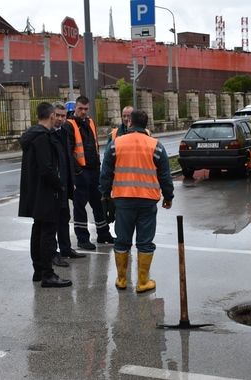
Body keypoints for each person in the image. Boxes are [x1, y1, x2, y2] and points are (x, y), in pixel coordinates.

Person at [99, 109, 174, 293]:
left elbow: (106, 173)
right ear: (146, 125)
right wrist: (168, 197)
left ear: (130, 123)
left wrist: (105, 194)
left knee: (122, 240)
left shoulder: (116, 144)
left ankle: (122, 280)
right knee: (145, 241)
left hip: (123, 200)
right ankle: (142, 282)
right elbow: (165, 175)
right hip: (147, 201)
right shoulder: (156, 146)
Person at [18, 102, 72, 288]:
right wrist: (60, 186)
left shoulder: (32, 135)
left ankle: (39, 271)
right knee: (47, 233)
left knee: (39, 229)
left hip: (35, 192)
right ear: (50, 116)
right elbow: (46, 168)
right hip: (46, 193)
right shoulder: (42, 137)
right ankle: (47, 274)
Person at [66, 95, 115, 251]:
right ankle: (82, 239)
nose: (83, 112)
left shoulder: (90, 122)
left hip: (94, 171)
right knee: (80, 207)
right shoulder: (69, 125)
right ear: (75, 108)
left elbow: (94, 146)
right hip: (81, 172)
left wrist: (98, 167)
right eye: (80, 108)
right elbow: (69, 152)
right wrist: (78, 172)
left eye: (86, 109)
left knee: (99, 203)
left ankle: (103, 234)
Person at [51, 102, 86, 265]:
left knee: (64, 217)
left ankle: (66, 249)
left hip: (65, 182)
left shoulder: (64, 130)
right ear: (52, 115)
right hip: (53, 185)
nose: (59, 119)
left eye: (62, 116)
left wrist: (72, 179)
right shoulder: (47, 133)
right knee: (52, 220)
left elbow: (68, 156)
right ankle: (53, 253)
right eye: (57, 115)